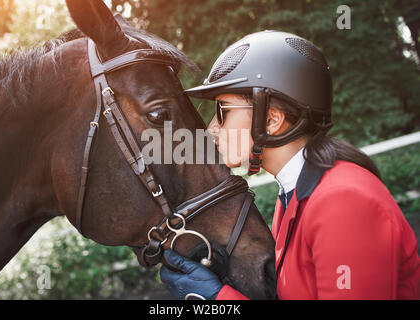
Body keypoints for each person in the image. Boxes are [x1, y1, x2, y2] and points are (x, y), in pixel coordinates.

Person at [160, 30, 420, 299]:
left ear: (272, 120)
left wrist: (219, 299)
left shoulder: (343, 201)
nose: (212, 127)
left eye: (223, 110)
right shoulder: (292, 199)